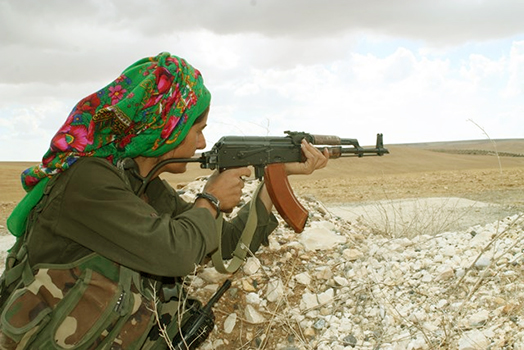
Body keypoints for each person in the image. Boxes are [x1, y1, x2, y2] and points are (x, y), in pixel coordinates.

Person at [0, 52, 328, 349]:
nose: (202, 142)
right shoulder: (87, 181)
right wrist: (211, 198)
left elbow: (223, 246)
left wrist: (276, 176)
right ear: (165, 129)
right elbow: (175, 253)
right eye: (196, 129)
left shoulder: (141, 183)